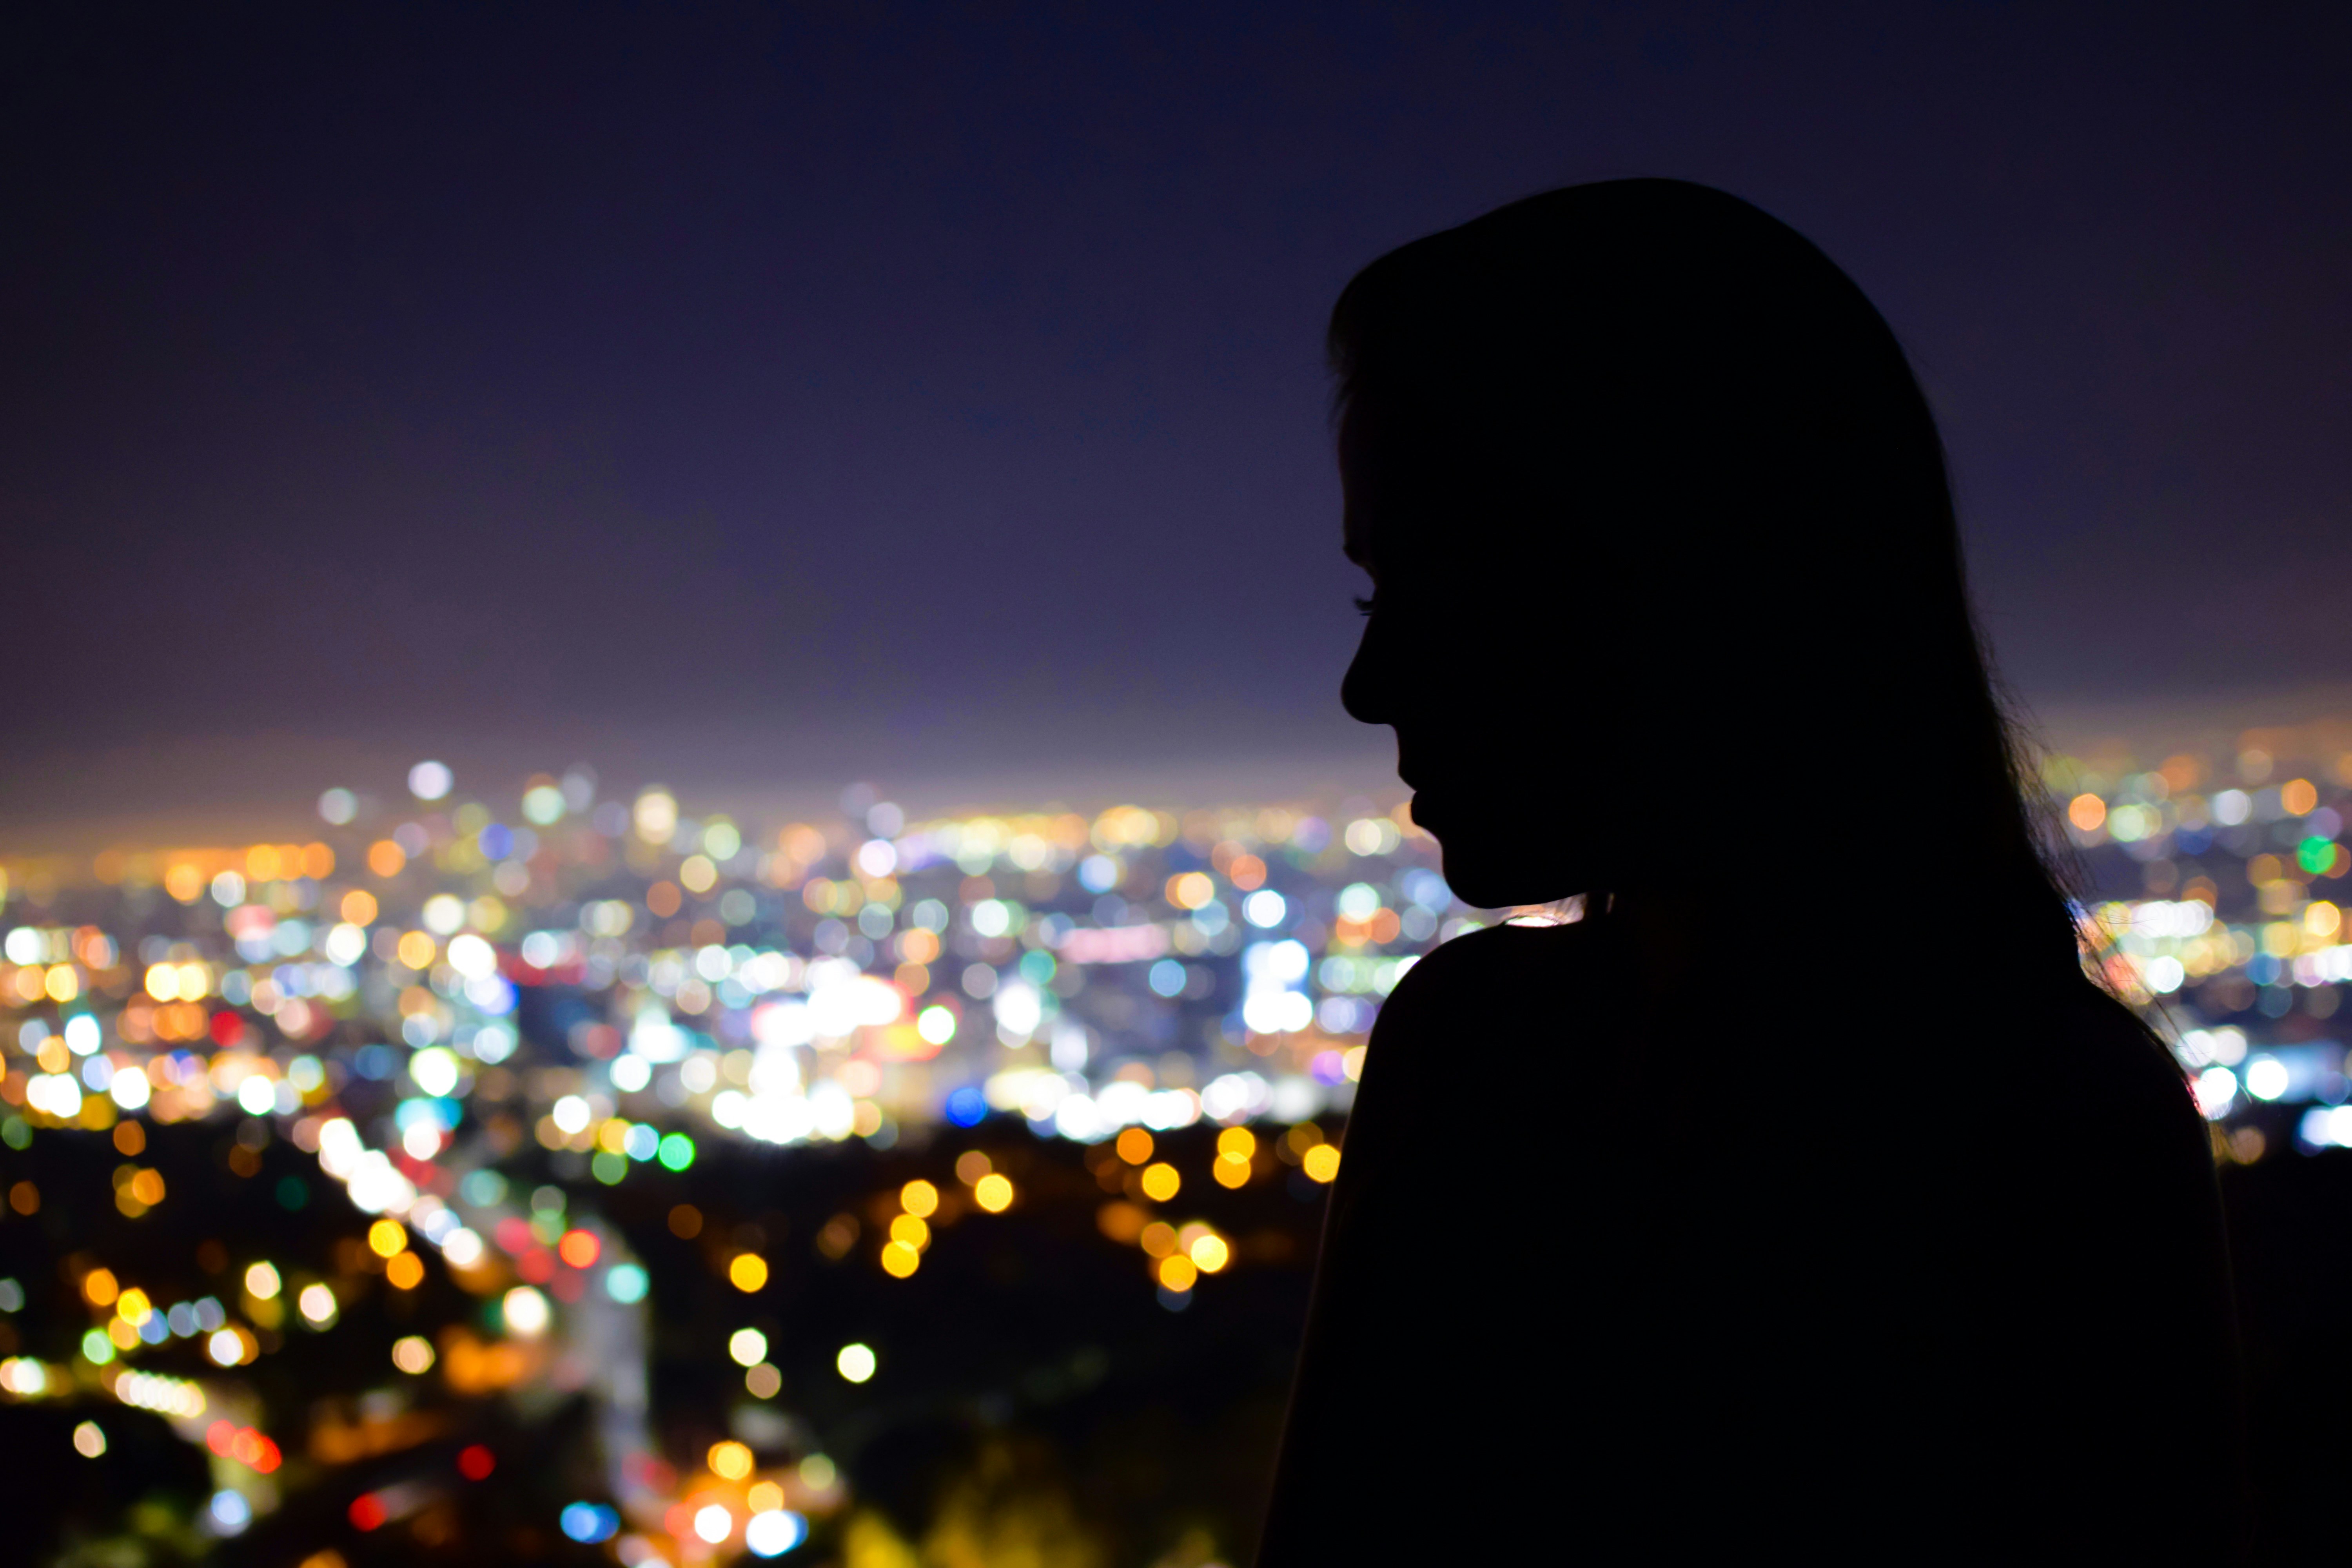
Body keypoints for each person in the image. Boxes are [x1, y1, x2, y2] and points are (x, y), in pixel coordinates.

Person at [1255, 181, 2246, 1563]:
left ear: (1657, 590)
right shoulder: (2068, 1122)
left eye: (1435, 586)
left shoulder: (1483, 1068)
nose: (1370, 684)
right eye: (1376, 596)